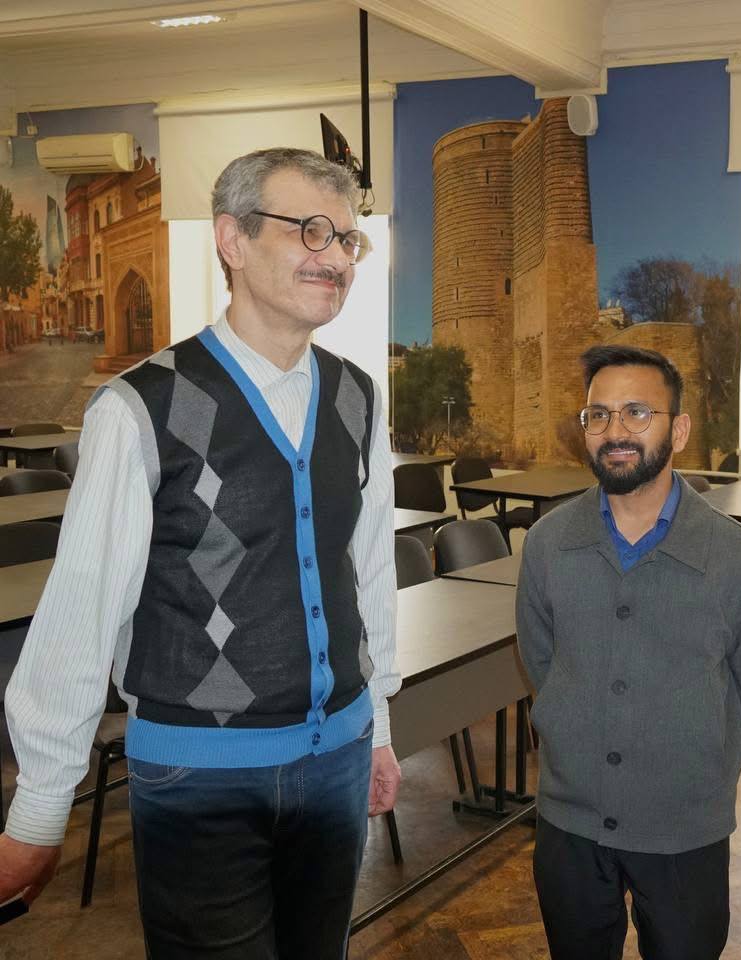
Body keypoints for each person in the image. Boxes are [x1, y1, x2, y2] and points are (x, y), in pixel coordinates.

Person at [0, 147, 402, 958]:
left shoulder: (357, 395)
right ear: (232, 239)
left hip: (337, 756)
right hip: (199, 778)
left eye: (347, 239)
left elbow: (366, 572)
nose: (335, 258)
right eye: (310, 231)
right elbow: (83, 609)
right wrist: (41, 807)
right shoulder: (138, 407)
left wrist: (380, 723)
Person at [516, 344, 741, 960]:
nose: (615, 431)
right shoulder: (548, 545)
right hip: (571, 822)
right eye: (599, 415)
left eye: (637, 412)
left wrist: (713, 755)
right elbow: (543, 661)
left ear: (680, 430)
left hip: (685, 826)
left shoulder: (735, 556)